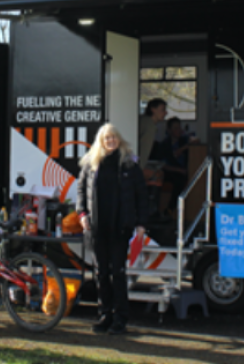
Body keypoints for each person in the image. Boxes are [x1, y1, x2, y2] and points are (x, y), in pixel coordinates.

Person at [76, 123, 149, 336]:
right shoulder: (90, 165)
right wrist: (82, 215)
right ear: (101, 141)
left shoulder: (129, 165)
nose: (111, 141)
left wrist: (141, 224)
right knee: (100, 273)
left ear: (119, 140)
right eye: (107, 138)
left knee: (118, 273)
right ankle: (104, 316)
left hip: (120, 227)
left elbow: (142, 197)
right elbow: (80, 191)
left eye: (114, 138)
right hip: (97, 229)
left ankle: (120, 319)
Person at [138, 98, 168, 165]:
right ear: (153, 110)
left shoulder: (143, 120)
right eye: (163, 110)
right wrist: (140, 170)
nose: (166, 113)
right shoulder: (149, 126)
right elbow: (144, 152)